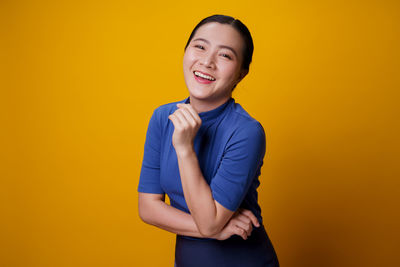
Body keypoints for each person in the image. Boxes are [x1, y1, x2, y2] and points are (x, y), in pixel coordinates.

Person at [138, 14, 279, 267]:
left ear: (241, 73)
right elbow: (148, 208)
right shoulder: (162, 117)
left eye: (225, 55)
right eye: (200, 46)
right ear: (185, 51)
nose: (207, 61)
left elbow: (210, 220)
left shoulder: (247, 132)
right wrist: (216, 230)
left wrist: (184, 148)